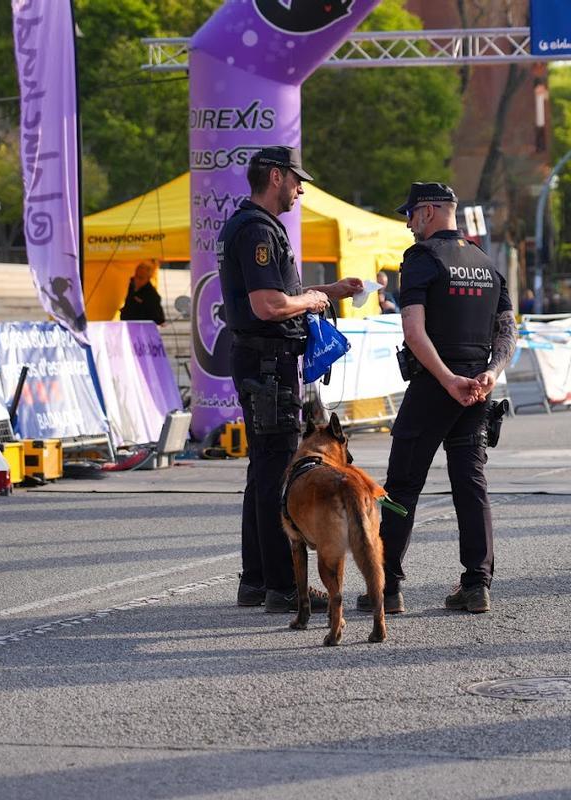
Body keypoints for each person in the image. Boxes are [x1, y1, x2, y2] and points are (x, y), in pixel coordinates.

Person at [358, 182, 515, 616]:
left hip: (435, 385)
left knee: (402, 485)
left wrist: (446, 379)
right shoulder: (486, 263)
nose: (408, 224)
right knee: (471, 483)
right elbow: (508, 331)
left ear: (428, 212)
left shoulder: (421, 258)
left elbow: (413, 331)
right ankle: (477, 585)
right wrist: (490, 374)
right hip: (478, 388)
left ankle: (386, 587)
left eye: (410, 215)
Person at [218, 144, 362, 613]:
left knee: (263, 470)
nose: (301, 190)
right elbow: (269, 305)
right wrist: (314, 301)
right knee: (277, 475)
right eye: (297, 180)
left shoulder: (251, 225)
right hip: (267, 365)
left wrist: (328, 292)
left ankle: (257, 581)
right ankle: (283, 587)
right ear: (276, 176)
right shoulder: (258, 229)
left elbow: (281, 294)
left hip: (264, 362)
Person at [119, 261, 166, 325]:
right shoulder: (130, 285)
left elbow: (159, 319)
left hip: (142, 328)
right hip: (126, 325)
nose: (137, 280)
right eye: (136, 276)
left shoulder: (152, 296)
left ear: (148, 278)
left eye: (141, 278)